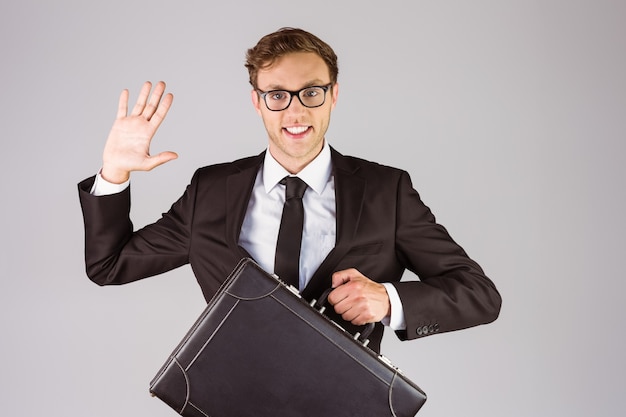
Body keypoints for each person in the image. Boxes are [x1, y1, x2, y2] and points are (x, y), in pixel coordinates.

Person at [78, 27, 501, 354]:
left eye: (311, 92)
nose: (296, 110)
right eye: (278, 95)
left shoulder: (385, 190)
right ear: (257, 102)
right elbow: (109, 265)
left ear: (333, 96)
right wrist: (114, 173)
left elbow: (480, 296)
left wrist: (389, 300)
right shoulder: (210, 190)